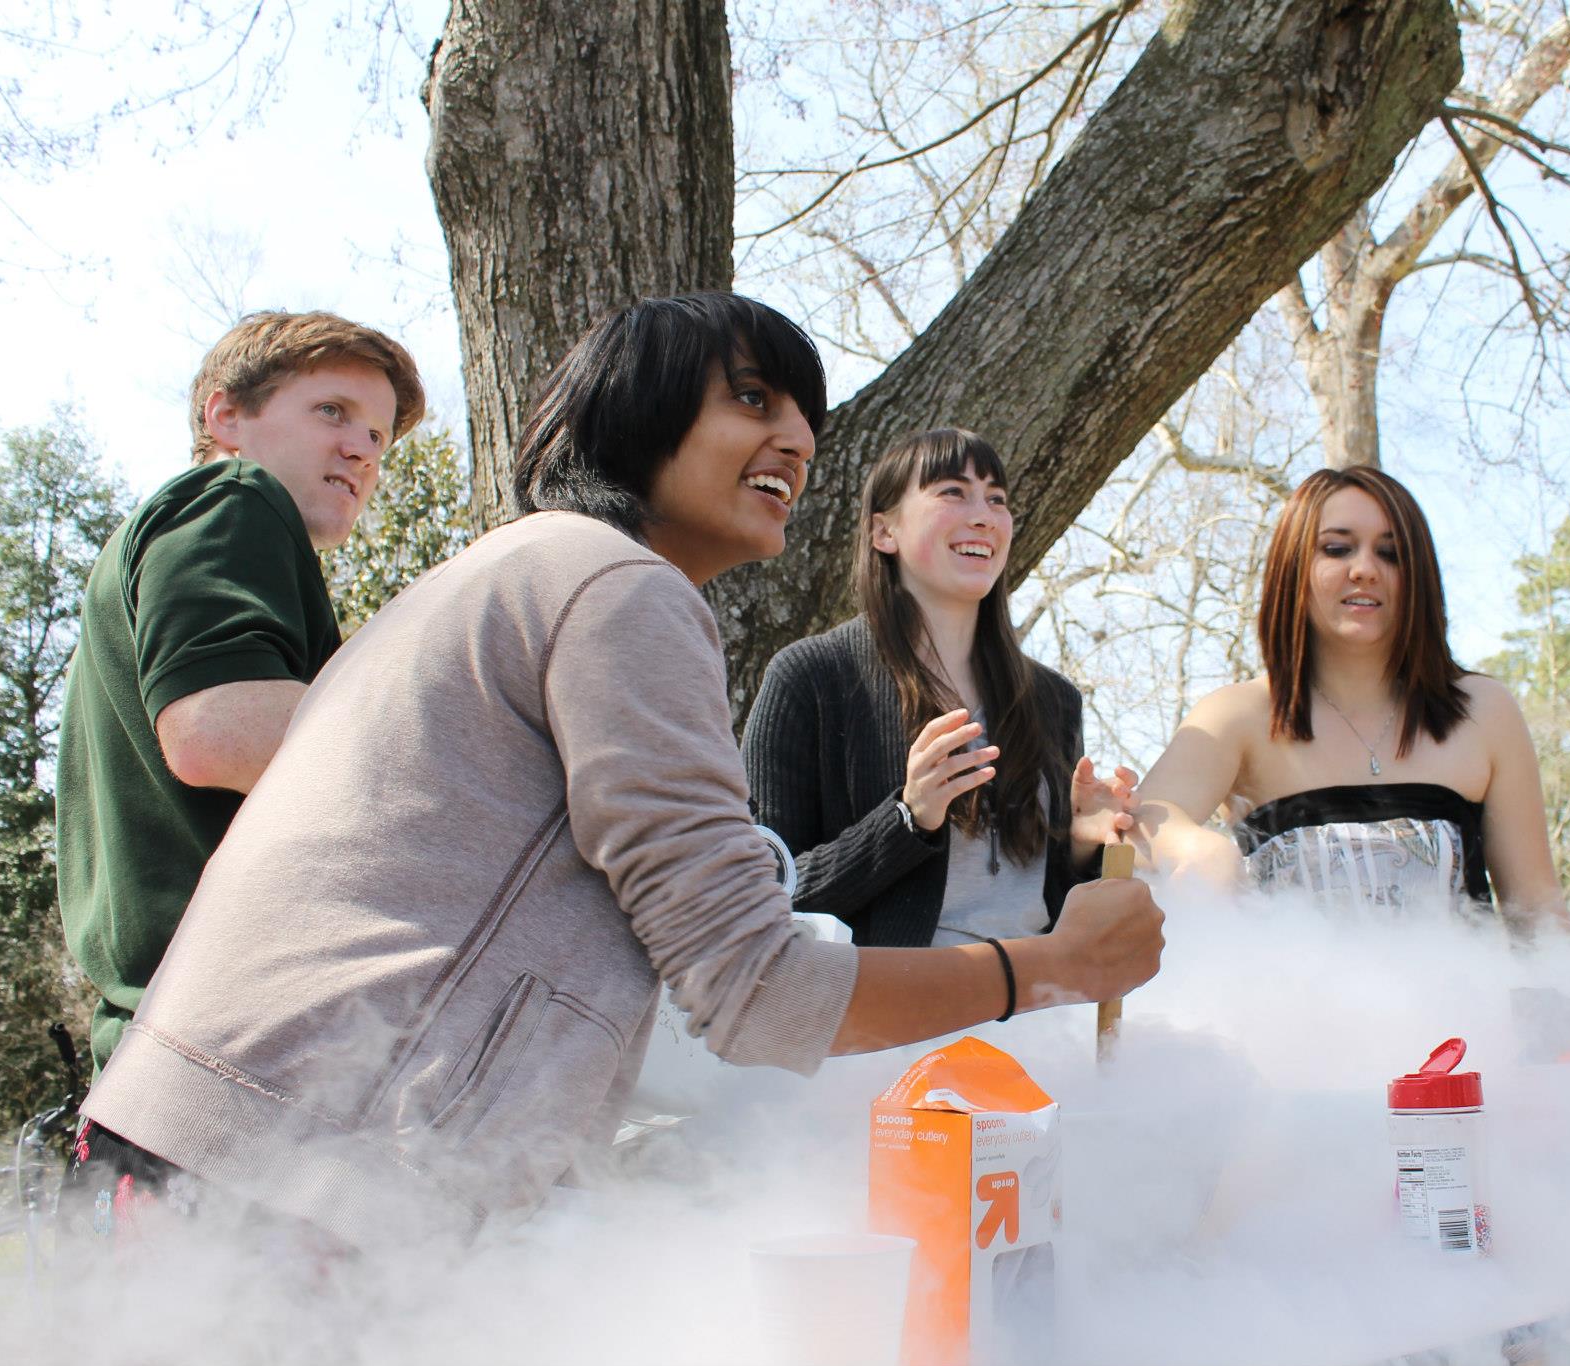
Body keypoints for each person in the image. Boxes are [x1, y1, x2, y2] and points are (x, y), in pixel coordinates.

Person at [77, 295, 1164, 1249]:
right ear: (632, 411)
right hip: (292, 1179)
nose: (795, 439)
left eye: (806, 421)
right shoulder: (620, 589)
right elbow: (757, 993)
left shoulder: (520, 566)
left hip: (223, 1144)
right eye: (752, 398)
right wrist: (1047, 971)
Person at [57, 311, 426, 1076]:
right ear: (226, 416)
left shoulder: (197, 533)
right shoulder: (233, 494)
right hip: (227, 1063)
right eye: (334, 411)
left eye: (380, 437)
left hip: (178, 1059)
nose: (363, 448)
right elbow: (216, 730)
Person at [741, 428, 1136, 948]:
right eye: (953, 492)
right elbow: (762, 893)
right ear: (885, 532)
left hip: (1045, 1007)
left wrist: (1084, 845)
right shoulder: (812, 676)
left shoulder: (1053, 701)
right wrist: (909, 817)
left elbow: (1051, 908)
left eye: (997, 499)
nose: (984, 515)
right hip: (896, 1013)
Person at [1133, 466, 1570, 934]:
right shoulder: (1236, 715)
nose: (1364, 569)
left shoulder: (1484, 711)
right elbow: (1135, 824)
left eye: (1391, 554)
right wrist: (1197, 848)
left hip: (1470, 1005)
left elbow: (1538, 912)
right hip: (1293, 1005)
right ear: (1293, 567)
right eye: (1337, 549)